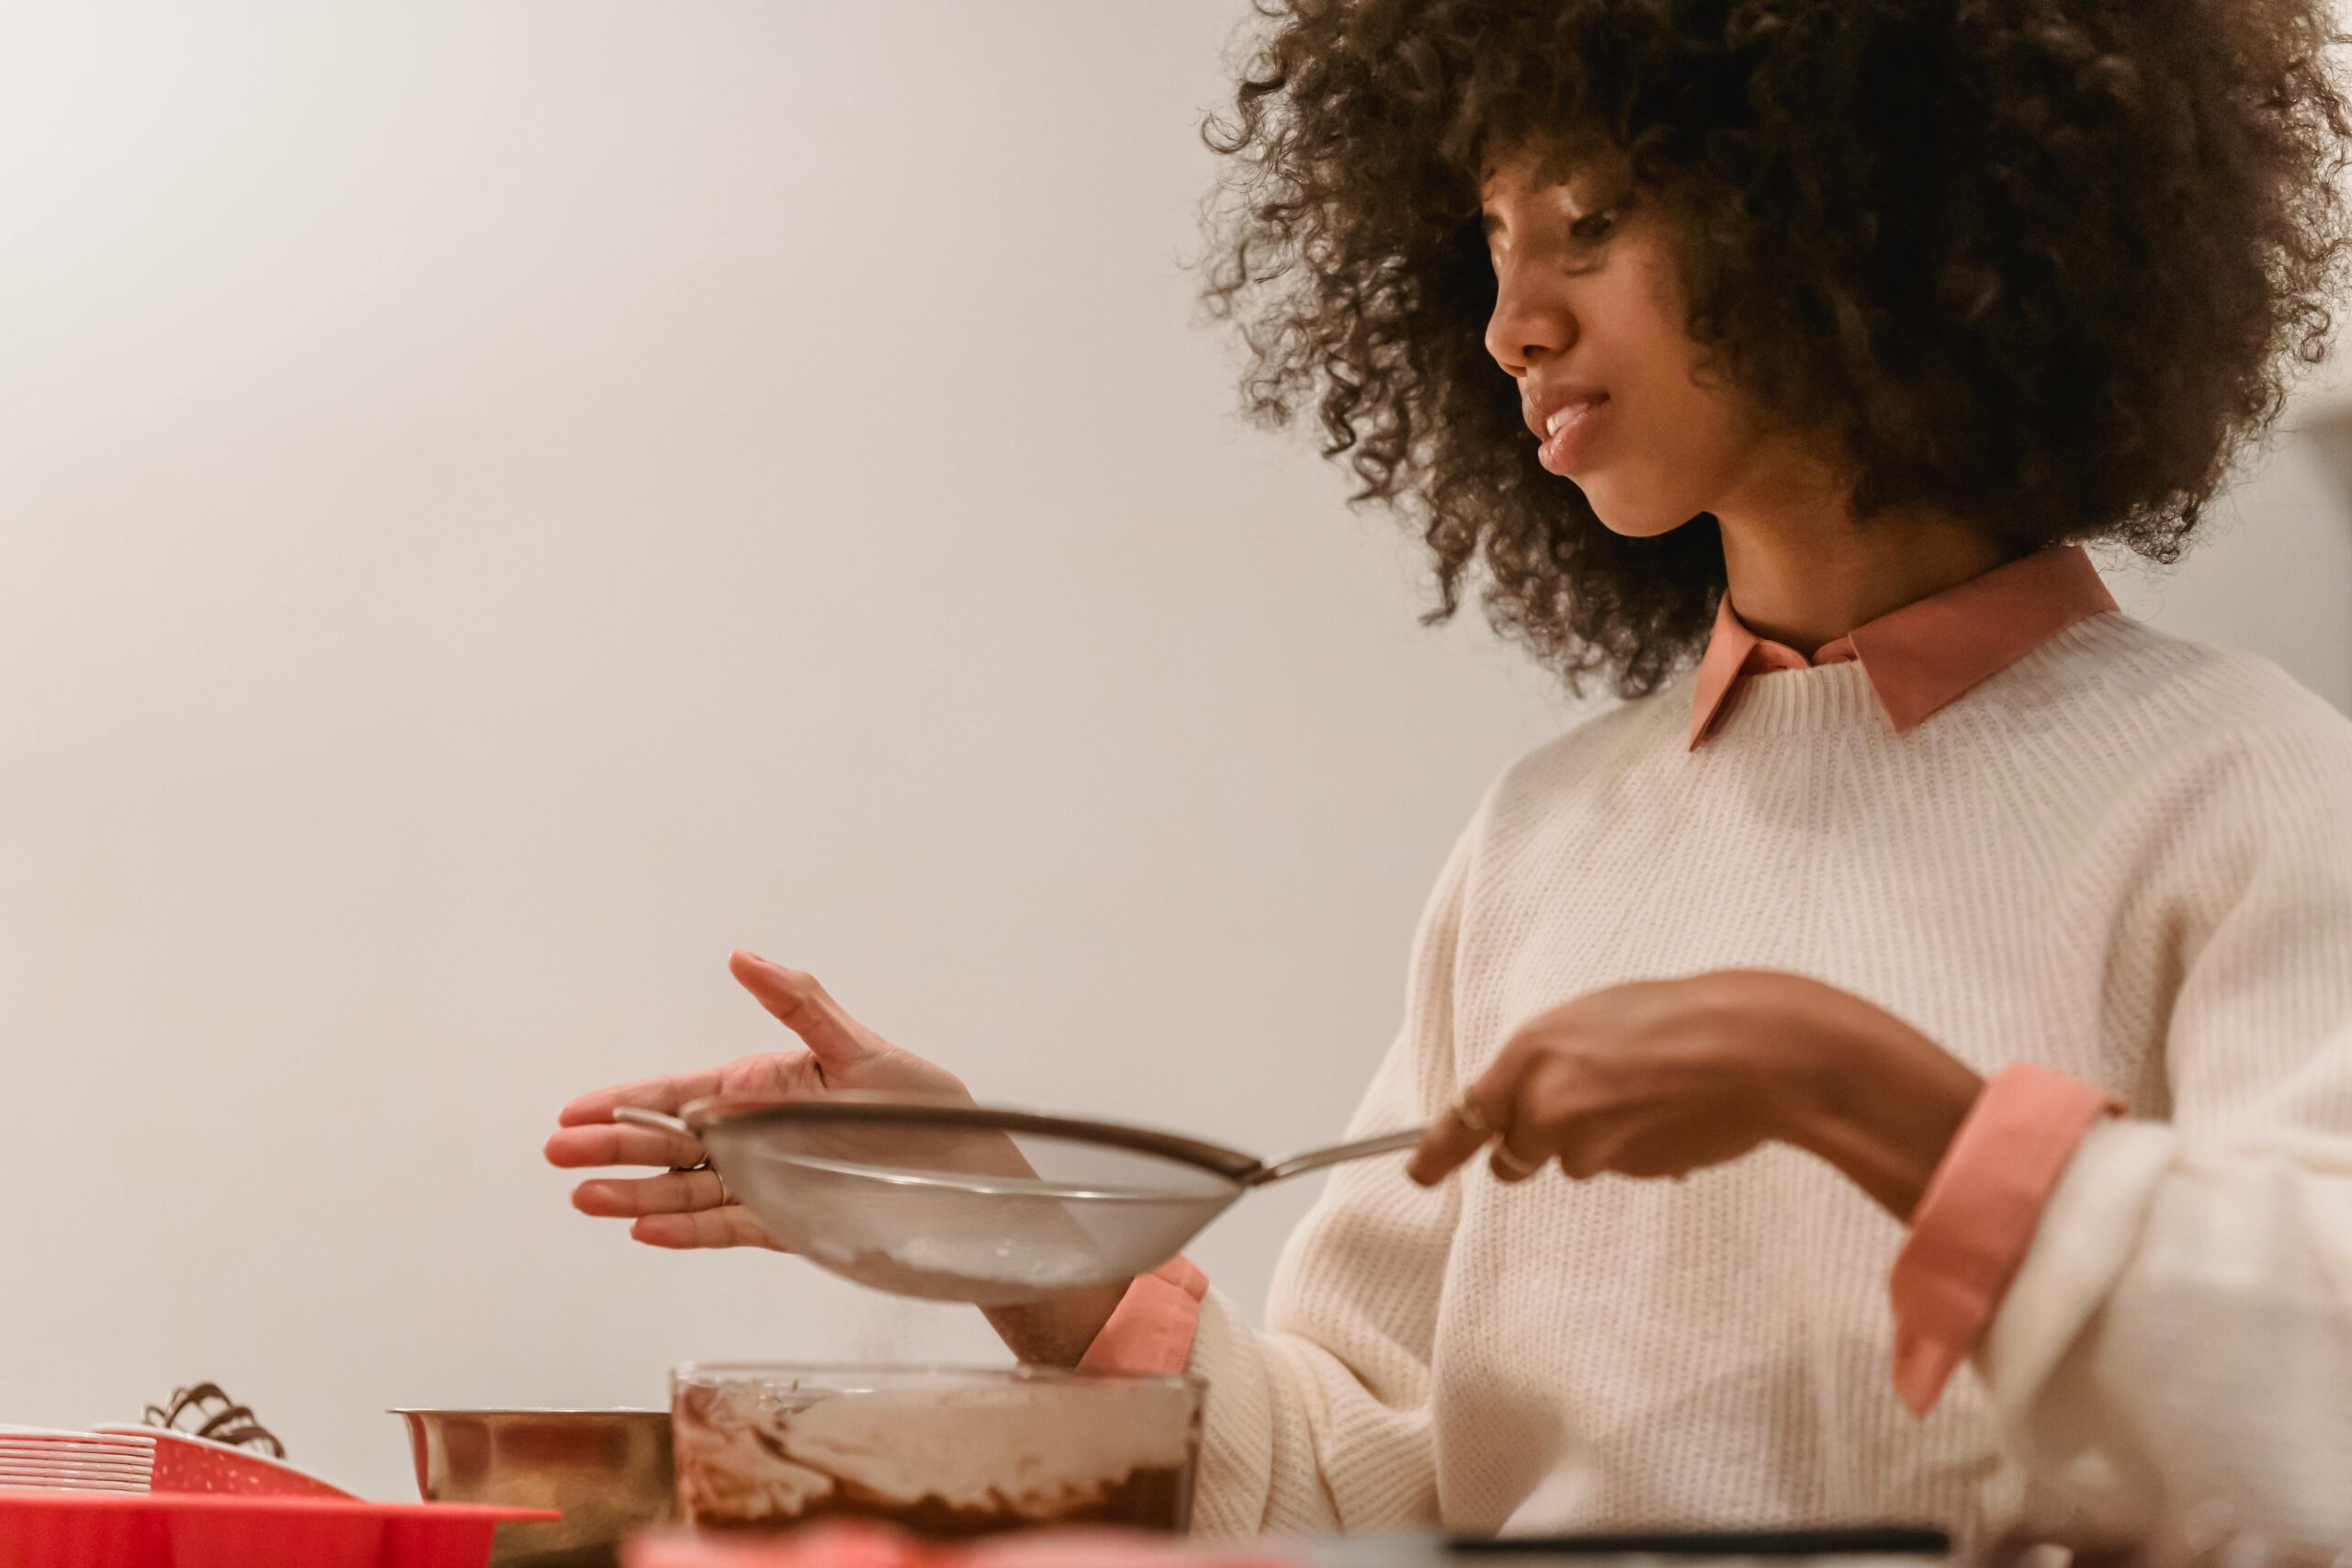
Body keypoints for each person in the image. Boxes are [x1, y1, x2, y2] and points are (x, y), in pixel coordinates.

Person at [544, 0, 2352, 1548]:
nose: (1508, 321)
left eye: (1584, 219)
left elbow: (2319, 1408)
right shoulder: (1549, 839)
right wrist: (1021, 1228)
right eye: (1487, 240)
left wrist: (1838, 1078)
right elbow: (1375, 1484)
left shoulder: (2238, 786)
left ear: (1859, 196)